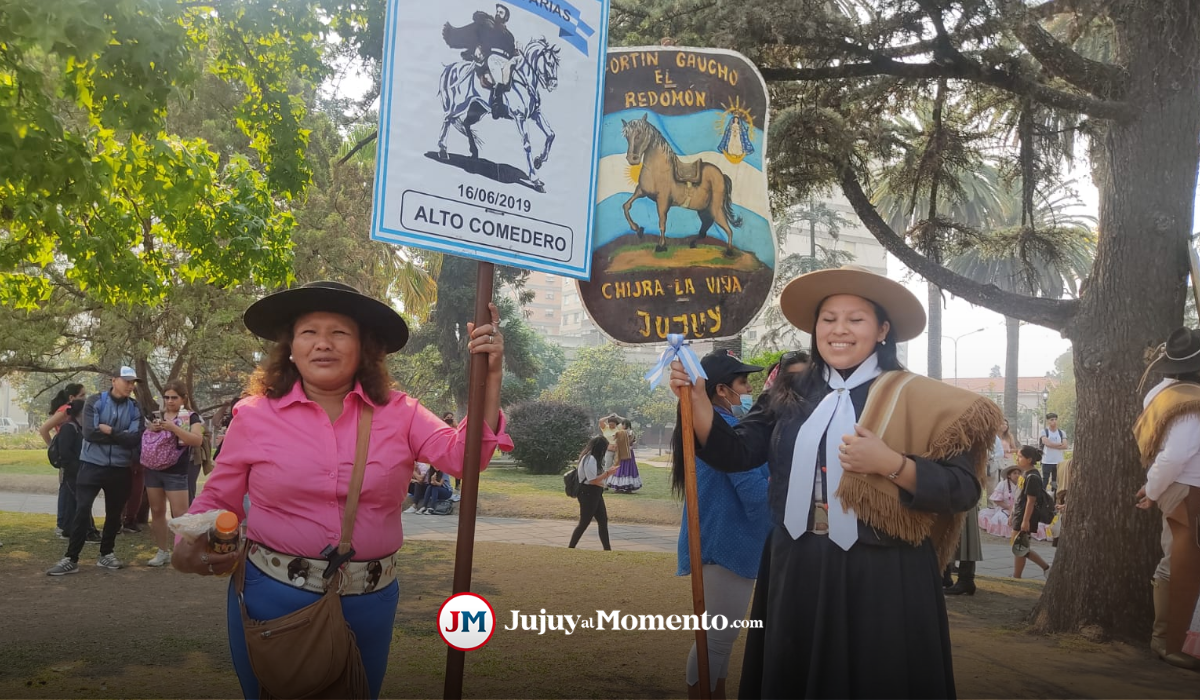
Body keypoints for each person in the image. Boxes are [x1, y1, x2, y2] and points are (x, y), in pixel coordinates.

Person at [170, 281, 511, 700]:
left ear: (364, 347)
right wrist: (188, 539)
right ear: (290, 348)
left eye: (339, 333)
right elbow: (219, 498)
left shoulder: (402, 413)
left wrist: (490, 375)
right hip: (271, 597)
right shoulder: (254, 415)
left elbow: (463, 460)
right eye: (309, 332)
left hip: (368, 601)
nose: (323, 344)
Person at [669, 265, 997, 698]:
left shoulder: (920, 398)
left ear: (882, 329)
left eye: (855, 319)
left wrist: (892, 463)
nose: (839, 330)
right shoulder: (789, 391)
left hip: (885, 572)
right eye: (828, 319)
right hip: (799, 564)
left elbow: (962, 490)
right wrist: (697, 403)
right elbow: (737, 451)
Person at [673, 349, 770, 699]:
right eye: (743, 383)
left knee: (719, 643)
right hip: (728, 545)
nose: (748, 390)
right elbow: (756, 495)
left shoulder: (712, 426)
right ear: (720, 391)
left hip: (719, 541)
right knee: (715, 642)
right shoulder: (725, 429)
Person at [1134, 326, 1200, 669]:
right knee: (1180, 561)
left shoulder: (1162, 392)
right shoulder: (1187, 399)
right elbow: (1175, 455)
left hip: (1181, 485)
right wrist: (1155, 488)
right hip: (1187, 487)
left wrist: (1154, 487)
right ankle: (1168, 641)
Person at [46, 367, 146, 575]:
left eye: (132, 382)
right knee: (82, 510)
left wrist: (109, 430)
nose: (130, 385)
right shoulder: (95, 401)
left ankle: (106, 554)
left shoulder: (135, 407)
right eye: (126, 381)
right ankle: (71, 558)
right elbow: (90, 433)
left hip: (120, 468)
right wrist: (122, 436)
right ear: (114, 380)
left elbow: (135, 438)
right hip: (91, 465)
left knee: (114, 514)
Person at [144, 380, 205, 567]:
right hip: (152, 469)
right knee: (157, 511)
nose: (169, 401)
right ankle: (162, 551)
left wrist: (174, 428)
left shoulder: (190, 417)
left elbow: (196, 440)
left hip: (176, 472)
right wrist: (151, 428)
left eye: (174, 397)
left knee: (180, 513)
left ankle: (183, 552)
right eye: (166, 397)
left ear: (183, 398)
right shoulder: (157, 415)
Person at [441, 3, 517, 118]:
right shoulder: (488, 25)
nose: (497, 14)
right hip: (491, 60)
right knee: (494, 67)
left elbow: (512, 52)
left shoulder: (510, 36)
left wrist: (517, 52)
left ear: (506, 17)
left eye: (501, 13)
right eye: (497, 11)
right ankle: (497, 103)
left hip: (505, 62)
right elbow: (478, 33)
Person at [40, 383, 86, 537]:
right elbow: (43, 429)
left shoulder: (76, 413)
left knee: (68, 489)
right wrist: (53, 447)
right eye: (82, 396)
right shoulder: (65, 411)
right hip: (66, 456)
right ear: (72, 398)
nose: (85, 399)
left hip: (74, 455)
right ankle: (62, 524)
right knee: (66, 489)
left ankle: (67, 523)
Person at [569, 435, 619, 550]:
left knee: (603, 520)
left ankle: (607, 549)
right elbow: (592, 480)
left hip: (595, 493)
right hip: (588, 493)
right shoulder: (590, 459)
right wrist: (608, 473)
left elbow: (596, 480)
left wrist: (604, 480)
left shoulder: (592, 459)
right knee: (584, 522)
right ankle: (571, 547)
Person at [1011, 445, 1051, 579]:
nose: (1018, 458)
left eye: (1020, 456)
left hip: (1025, 515)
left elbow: (1031, 501)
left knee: (1019, 546)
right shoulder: (1024, 473)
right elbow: (1019, 496)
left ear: (1029, 459)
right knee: (1018, 546)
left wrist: (1025, 520)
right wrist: (1012, 514)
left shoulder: (1033, 477)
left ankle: (1044, 568)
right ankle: (1018, 576)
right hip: (1019, 513)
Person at [980, 465, 1021, 536]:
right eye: (1014, 473)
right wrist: (1008, 507)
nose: (1017, 475)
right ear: (1009, 475)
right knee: (1001, 518)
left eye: (1018, 473)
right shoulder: (1003, 484)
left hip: (1018, 508)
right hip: (1004, 508)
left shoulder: (1022, 485)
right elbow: (996, 500)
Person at [609, 418, 643, 493]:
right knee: (620, 468)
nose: (621, 425)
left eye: (622, 424)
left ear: (625, 425)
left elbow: (629, 441)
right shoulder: (622, 432)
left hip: (628, 452)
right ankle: (619, 487)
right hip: (622, 453)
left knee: (627, 468)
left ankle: (628, 487)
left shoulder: (629, 432)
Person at [1039, 413, 1067, 490]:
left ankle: (1054, 498)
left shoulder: (1061, 433)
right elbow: (1046, 443)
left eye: (1055, 419)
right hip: (1047, 461)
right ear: (1048, 421)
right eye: (1052, 420)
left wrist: (1052, 444)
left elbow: (1065, 446)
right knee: (1045, 480)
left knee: (1056, 482)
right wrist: (1059, 444)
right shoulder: (1044, 432)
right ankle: (1042, 497)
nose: (1054, 421)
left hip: (1058, 461)